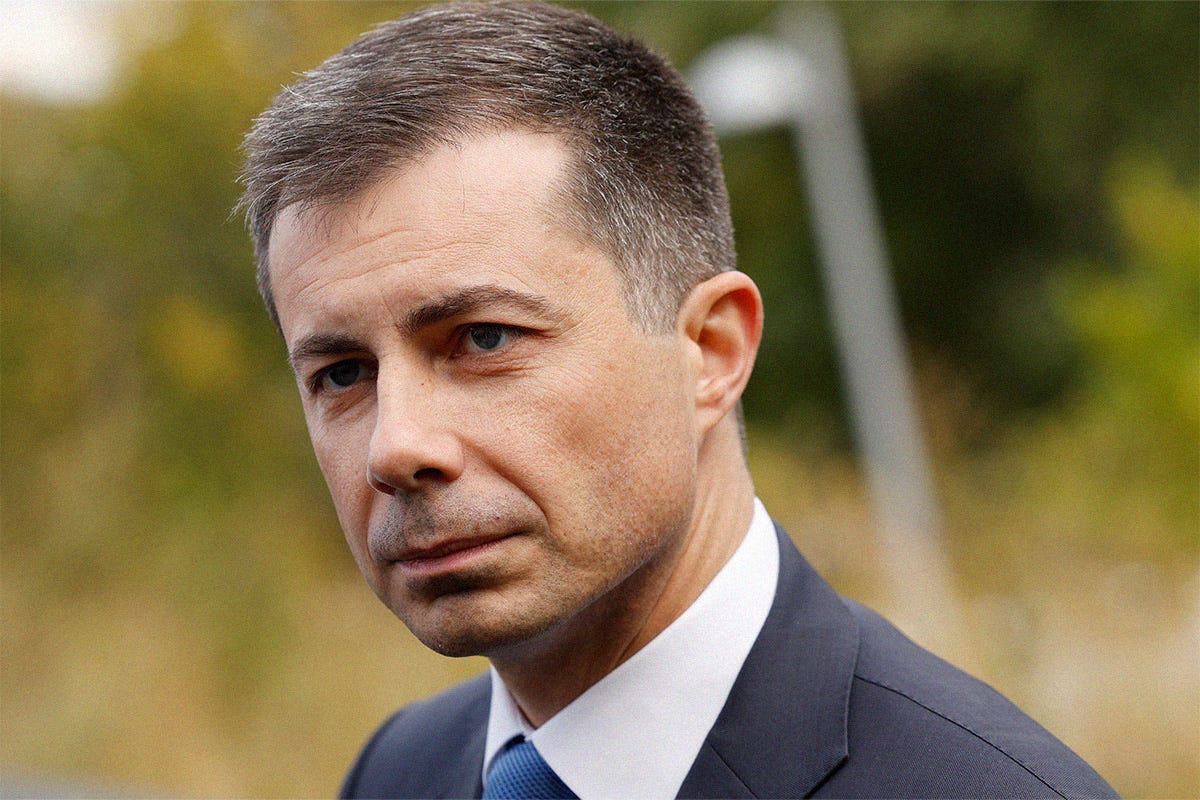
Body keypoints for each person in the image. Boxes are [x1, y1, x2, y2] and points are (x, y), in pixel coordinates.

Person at [238, 3, 1118, 798]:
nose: (397, 447)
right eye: (343, 374)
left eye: (485, 338)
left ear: (710, 350)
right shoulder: (399, 772)